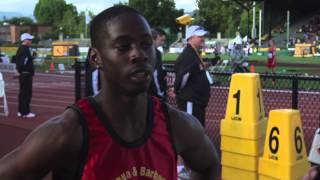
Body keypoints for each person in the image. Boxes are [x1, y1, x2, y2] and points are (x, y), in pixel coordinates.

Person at [0, 6, 219, 180]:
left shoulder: (177, 125)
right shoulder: (67, 134)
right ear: (96, 58)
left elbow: (209, 166)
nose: (139, 54)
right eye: (123, 47)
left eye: (146, 44)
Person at [173, 25, 212, 128]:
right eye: (199, 36)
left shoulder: (194, 53)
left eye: (203, 36)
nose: (202, 38)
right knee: (191, 130)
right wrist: (177, 90)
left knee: (197, 130)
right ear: (190, 38)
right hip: (191, 100)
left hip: (197, 101)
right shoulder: (188, 55)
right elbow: (183, 76)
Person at [15, 32, 36, 118]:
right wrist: (20, 70)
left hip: (23, 74)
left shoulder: (20, 48)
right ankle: (25, 112)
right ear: (26, 40)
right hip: (26, 74)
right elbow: (24, 62)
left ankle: (20, 111)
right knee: (26, 93)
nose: (31, 41)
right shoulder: (25, 49)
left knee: (22, 93)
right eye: (30, 39)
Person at [149, 28, 168, 100]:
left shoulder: (155, 52)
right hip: (155, 94)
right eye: (161, 40)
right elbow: (155, 74)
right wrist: (160, 92)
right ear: (153, 39)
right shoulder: (155, 53)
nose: (163, 43)